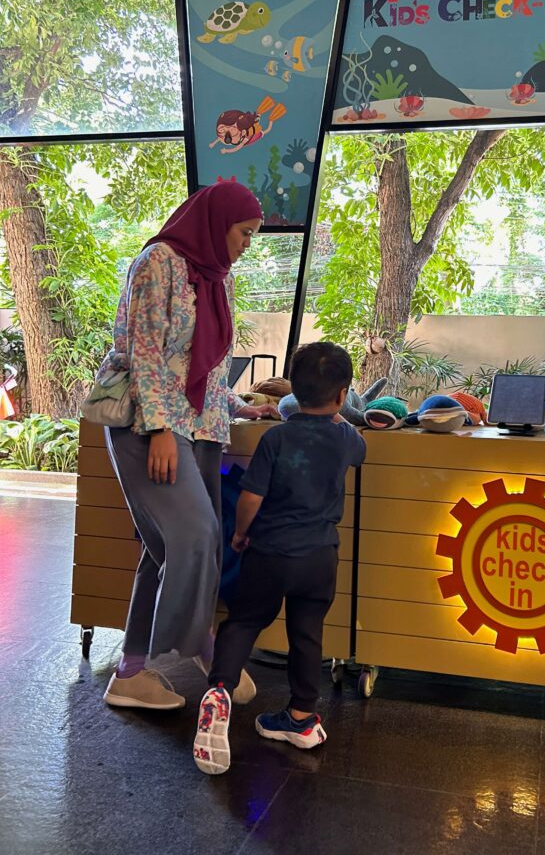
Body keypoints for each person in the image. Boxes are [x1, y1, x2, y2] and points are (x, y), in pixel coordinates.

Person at [102, 181, 273, 712]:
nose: (247, 243)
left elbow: (204, 368)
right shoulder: (159, 262)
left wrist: (243, 407)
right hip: (150, 426)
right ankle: (198, 643)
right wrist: (158, 429)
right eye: (244, 232)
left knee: (166, 551)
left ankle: (131, 673)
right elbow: (144, 350)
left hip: (198, 426)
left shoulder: (215, 279)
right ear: (215, 221)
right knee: (197, 534)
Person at [193, 342, 366, 774]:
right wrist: (339, 415)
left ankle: (219, 692)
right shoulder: (346, 437)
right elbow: (360, 447)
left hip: (269, 554)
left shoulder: (277, 438)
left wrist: (239, 533)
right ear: (342, 394)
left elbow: (251, 497)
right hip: (319, 558)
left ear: (293, 393)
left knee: (244, 621)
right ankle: (302, 719)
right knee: (307, 632)